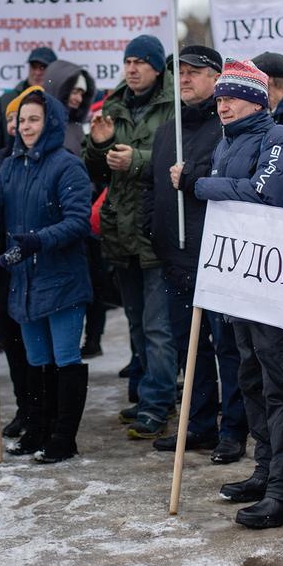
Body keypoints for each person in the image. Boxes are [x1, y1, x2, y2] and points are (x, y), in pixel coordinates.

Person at [193, 58, 283, 529]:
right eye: (219, 97)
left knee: (281, 384)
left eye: (232, 96)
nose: (222, 104)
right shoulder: (229, 144)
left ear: (258, 100)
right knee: (251, 378)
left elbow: (265, 197)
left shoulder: (277, 139)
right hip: (243, 283)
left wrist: (203, 184)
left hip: (278, 284)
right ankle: (265, 473)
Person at [143, 45, 248, 464]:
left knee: (227, 348)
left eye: (194, 71)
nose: (184, 78)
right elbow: (153, 184)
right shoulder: (167, 130)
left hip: (218, 256)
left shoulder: (229, 127)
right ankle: (200, 424)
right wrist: (152, 227)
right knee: (193, 349)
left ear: (216, 77)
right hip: (176, 257)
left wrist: (195, 178)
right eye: (179, 72)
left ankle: (234, 429)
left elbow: (237, 180)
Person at [83, 35, 176, 439]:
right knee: (136, 324)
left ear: (157, 67)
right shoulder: (114, 104)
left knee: (158, 327)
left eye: (140, 62)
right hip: (122, 232)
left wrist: (134, 160)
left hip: (156, 232)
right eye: (128, 61)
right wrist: (98, 144)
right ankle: (143, 394)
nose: (132, 68)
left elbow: (175, 162)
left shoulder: (172, 104)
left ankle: (158, 404)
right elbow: (96, 170)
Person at [0, 90, 92, 462]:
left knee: (65, 356)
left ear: (49, 121)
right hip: (24, 280)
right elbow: (0, 215)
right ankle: (38, 428)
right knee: (36, 360)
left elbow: (78, 221)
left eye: (34, 119)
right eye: (22, 120)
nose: (26, 126)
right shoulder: (10, 165)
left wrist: (38, 241)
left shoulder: (67, 165)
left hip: (61, 279)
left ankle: (63, 437)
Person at [0, 87, 39, 438]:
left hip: (32, 259)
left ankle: (39, 409)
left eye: (25, 118)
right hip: (3, 262)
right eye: (12, 119)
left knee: (32, 344)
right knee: (13, 343)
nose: (18, 125)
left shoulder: (47, 158)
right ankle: (23, 407)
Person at [0, 46, 58, 157]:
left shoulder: (59, 102)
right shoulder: (7, 101)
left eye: (43, 67)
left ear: (53, 71)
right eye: (34, 67)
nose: (37, 72)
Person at [41, 57, 93, 155]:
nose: (79, 99)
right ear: (58, 89)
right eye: (75, 92)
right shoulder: (36, 122)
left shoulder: (79, 128)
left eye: (82, 94)